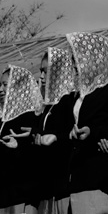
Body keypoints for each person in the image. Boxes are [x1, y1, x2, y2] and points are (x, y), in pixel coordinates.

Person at [65, 32, 108, 214]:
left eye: (77, 59)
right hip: (81, 177)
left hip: (104, 178)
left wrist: (93, 131)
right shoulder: (82, 94)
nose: (74, 64)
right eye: (73, 59)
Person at [33, 48, 77, 214]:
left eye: (46, 71)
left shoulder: (69, 101)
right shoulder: (48, 105)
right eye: (41, 72)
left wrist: (57, 137)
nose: (42, 77)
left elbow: (70, 135)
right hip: (47, 186)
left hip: (63, 184)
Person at [0, 65, 43, 214]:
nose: (1, 89)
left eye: (5, 85)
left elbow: (35, 158)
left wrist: (19, 147)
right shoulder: (3, 119)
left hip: (21, 196)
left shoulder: (29, 117)